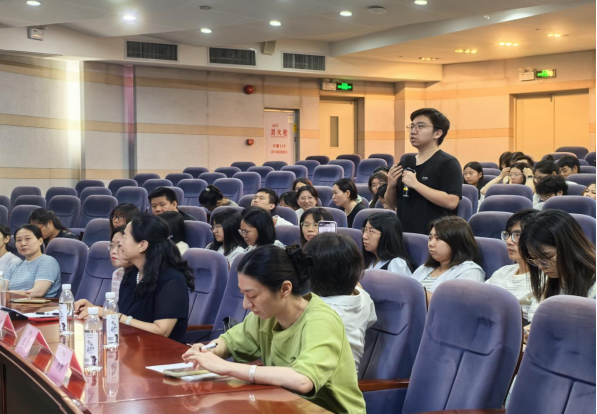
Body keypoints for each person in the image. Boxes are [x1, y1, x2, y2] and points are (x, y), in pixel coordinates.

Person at [182, 245, 366, 414]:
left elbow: (302, 380)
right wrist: (209, 351)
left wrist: (226, 367)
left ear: (284, 289)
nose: (246, 304)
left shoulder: (321, 320)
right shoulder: (266, 315)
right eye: (243, 294)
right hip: (284, 405)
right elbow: (229, 342)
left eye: (252, 295)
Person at [75, 214, 195, 344]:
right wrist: (95, 309)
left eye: (125, 237)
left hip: (162, 352)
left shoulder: (172, 281)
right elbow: (125, 316)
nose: (120, 242)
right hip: (131, 346)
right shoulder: (131, 274)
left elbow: (161, 331)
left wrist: (113, 316)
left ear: (142, 245)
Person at [303, 234, 377, 374]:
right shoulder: (363, 297)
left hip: (325, 383)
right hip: (343, 379)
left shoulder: (314, 310)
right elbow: (371, 319)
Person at [386, 108, 463, 235]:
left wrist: (416, 184)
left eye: (420, 126)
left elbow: (451, 202)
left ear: (437, 133)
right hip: (404, 233)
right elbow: (393, 204)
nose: (413, 131)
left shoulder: (448, 163)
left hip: (434, 237)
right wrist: (391, 186)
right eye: (412, 126)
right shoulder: (406, 163)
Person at [519, 210, 596, 327]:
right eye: (534, 258)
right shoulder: (556, 279)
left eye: (546, 257)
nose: (540, 266)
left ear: (570, 248)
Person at [410, 216, 485, 299]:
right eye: (430, 238)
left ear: (456, 242)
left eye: (438, 238)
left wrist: (415, 293)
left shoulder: (470, 272)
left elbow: (456, 304)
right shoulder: (425, 267)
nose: (431, 244)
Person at [486, 210, 539, 323]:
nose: (509, 241)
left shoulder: (544, 281)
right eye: (508, 235)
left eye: (517, 235)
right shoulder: (503, 271)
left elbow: (534, 328)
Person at [4, 225, 61, 298]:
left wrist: (9, 294)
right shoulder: (15, 265)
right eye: (19, 240)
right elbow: (2, 288)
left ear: (40, 241)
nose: (23, 243)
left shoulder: (47, 261)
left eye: (28, 239)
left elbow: (38, 292)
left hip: (37, 304)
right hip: (11, 303)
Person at [108, 225, 131, 301]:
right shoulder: (117, 274)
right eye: (112, 245)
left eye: (120, 246)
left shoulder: (141, 276)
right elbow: (116, 307)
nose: (113, 251)